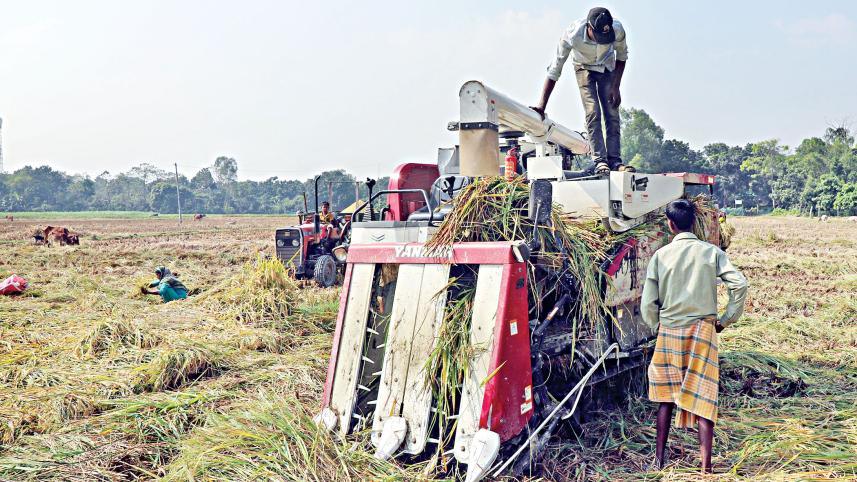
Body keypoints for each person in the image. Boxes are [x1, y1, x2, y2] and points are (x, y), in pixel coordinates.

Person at [642, 200, 748, 473]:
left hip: (670, 329)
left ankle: (659, 459)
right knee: (704, 394)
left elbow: (648, 304)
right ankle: (705, 468)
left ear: (670, 224)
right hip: (703, 330)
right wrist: (726, 320)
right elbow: (739, 283)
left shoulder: (660, 256)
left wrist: (657, 325)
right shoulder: (711, 253)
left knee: (665, 396)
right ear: (694, 222)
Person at [533, 7, 632, 174]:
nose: (602, 41)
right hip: (584, 68)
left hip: (608, 67)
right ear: (589, 28)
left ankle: (615, 161)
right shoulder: (572, 35)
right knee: (593, 112)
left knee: (612, 113)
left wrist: (616, 86)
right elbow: (555, 70)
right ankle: (601, 161)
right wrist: (541, 106)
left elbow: (622, 56)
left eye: (605, 37)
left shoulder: (617, 30)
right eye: (599, 37)